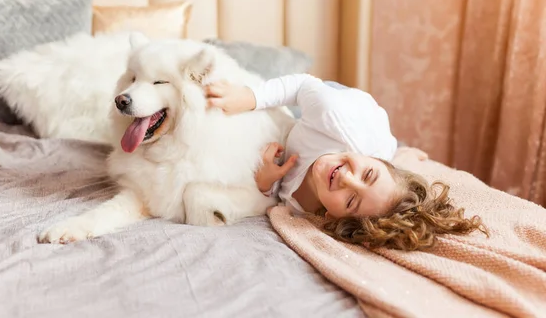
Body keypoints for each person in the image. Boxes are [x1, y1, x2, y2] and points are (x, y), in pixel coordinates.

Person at [205, 74, 487, 251]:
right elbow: (303, 85)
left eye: (351, 201)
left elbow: (275, 195)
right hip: (350, 109)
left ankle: (393, 163)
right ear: (371, 159)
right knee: (390, 152)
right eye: (367, 174)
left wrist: (265, 181)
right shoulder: (333, 116)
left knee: (384, 184)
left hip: (370, 155)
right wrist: (250, 97)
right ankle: (400, 156)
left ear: (333, 217)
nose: (345, 179)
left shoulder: (306, 210)